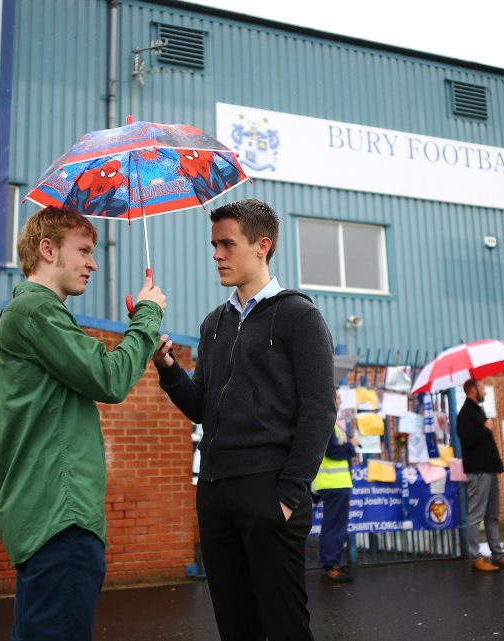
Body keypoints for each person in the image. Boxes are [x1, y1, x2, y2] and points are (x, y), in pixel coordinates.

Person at [152, 198, 335, 641]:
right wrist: (169, 370)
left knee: (285, 624)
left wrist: (288, 496)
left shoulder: (299, 315)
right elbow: (202, 407)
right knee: (236, 627)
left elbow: (319, 410)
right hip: (215, 491)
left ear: (262, 246)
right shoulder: (213, 323)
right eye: (214, 244)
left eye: (226, 244)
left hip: (268, 491)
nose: (216, 254)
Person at [0, 206, 167, 641]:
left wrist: (140, 337)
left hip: (47, 519)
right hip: (60, 520)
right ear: (47, 250)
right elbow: (109, 378)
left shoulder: (33, 315)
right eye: (83, 250)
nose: (93, 263)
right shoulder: (35, 312)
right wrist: (147, 315)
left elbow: (100, 369)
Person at [456, 378, 504, 572]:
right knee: (475, 515)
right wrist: (486, 429)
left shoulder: (478, 410)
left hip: (489, 469)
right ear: (472, 390)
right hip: (478, 471)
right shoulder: (465, 414)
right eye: (482, 388)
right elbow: (468, 441)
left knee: (492, 515)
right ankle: (475, 556)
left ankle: (498, 554)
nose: (485, 392)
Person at [314, 392, 361, 584]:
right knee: (334, 526)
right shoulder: (326, 421)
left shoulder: (331, 422)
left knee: (335, 525)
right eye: (337, 397)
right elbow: (332, 452)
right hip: (333, 483)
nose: (340, 400)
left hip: (336, 483)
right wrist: (351, 446)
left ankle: (333, 562)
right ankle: (330, 566)